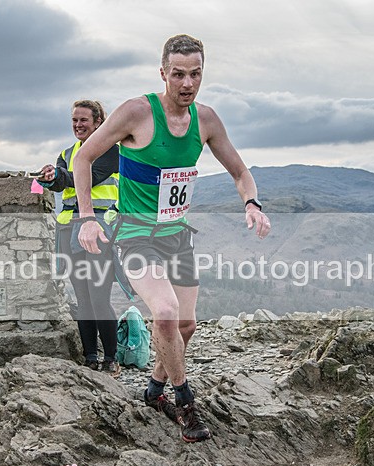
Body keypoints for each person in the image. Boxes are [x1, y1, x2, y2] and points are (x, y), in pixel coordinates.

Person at [74, 35, 271, 443]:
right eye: (178, 74)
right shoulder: (136, 112)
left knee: (186, 325)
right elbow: (83, 157)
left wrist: (251, 203)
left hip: (177, 236)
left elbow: (239, 171)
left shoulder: (207, 120)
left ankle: (153, 389)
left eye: (195, 74)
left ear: (203, 74)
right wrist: (88, 218)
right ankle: (185, 403)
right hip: (134, 235)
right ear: (163, 73)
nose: (187, 83)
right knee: (163, 312)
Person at [38, 100, 121, 376]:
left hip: (99, 230)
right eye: (74, 120)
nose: (78, 125)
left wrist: (62, 175)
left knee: (99, 297)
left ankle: (111, 357)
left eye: (83, 120)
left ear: (98, 122)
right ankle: (90, 356)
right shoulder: (66, 153)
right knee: (83, 297)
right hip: (69, 229)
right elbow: (64, 182)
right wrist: (52, 178)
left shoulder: (110, 151)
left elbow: (88, 177)